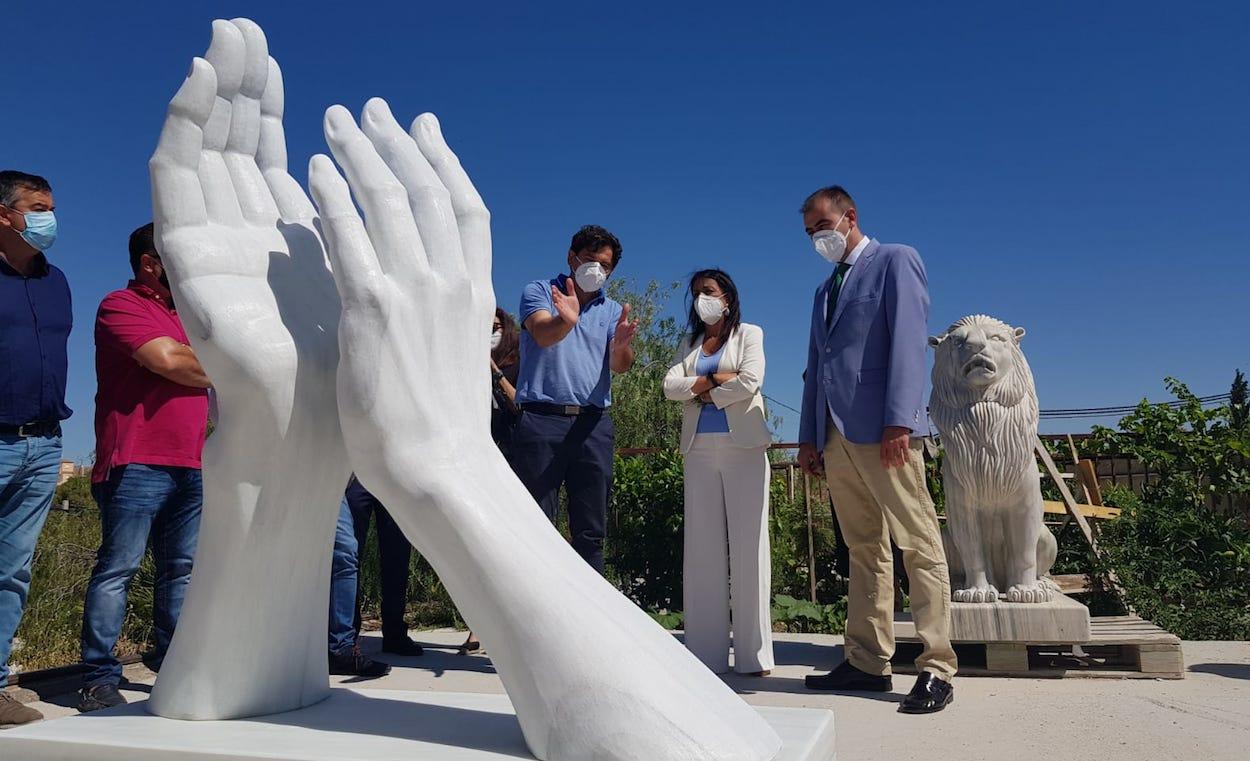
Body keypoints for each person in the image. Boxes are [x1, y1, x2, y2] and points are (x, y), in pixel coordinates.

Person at [796, 185, 957, 714]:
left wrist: (900, 421)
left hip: (885, 431)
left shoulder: (895, 261)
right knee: (864, 547)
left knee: (918, 541)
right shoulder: (823, 292)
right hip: (835, 435)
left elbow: (910, 339)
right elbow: (816, 366)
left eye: (822, 225)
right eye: (809, 232)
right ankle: (868, 661)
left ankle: (936, 666)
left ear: (849, 217)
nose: (817, 237)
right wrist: (808, 435)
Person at [78, 223, 211, 712]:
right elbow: (170, 361)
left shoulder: (189, 317)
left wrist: (202, 356)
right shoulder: (122, 304)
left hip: (191, 463)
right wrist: (228, 361)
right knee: (119, 569)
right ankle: (96, 675)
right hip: (134, 460)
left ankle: (172, 662)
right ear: (149, 263)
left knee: (181, 570)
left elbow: (188, 359)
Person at [662, 269, 774, 676]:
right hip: (698, 450)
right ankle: (704, 654)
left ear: (727, 296)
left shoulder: (750, 334)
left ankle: (754, 656)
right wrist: (713, 380)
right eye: (695, 294)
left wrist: (704, 392)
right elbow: (669, 386)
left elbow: (751, 380)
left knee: (749, 549)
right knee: (702, 550)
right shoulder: (689, 342)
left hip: (743, 446)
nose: (700, 300)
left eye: (707, 292)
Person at [510, 225, 638, 574]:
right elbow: (543, 334)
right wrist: (567, 320)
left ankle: (590, 622)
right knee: (535, 524)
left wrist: (623, 347)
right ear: (571, 257)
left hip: (593, 424)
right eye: (590, 260)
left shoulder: (612, 310)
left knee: (591, 531)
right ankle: (532, 619)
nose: (597, 270)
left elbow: (619, 365)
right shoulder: (539, 291)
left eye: (606, 266)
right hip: (541, 421)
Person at [0, 170, 70, 727]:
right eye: (38, 208)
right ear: (5, 214)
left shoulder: (56, 281)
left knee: (12, 571)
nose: (48, 218)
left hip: (44, 445)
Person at [460, 307, 522, 655]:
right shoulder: (465, 364)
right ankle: (477, 626)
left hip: (512, 460)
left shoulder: (519, 360)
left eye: (495, 327)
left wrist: (493, 370)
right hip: (475, 460)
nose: (490, 333)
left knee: (511, 543)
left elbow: (520, 405)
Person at [327, 476, 424, 678]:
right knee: (349, 554)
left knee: (396, 555)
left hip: (390, 474)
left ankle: (394, 633)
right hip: (356, 474)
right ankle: (348, 639)